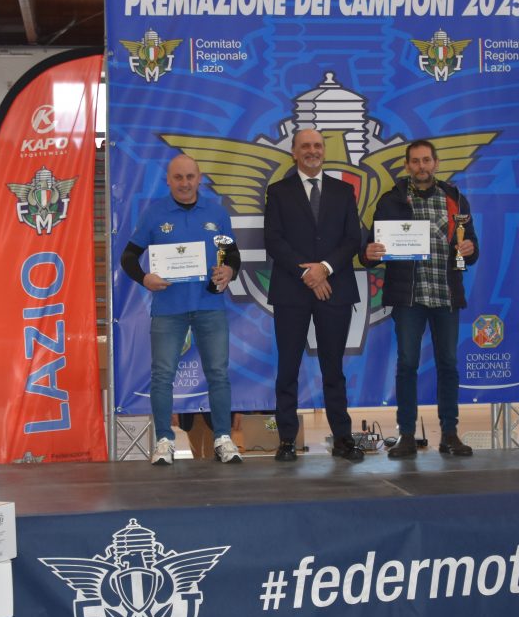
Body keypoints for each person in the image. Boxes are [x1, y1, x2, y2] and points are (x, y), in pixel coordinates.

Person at [121, 154, 243, 466]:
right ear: (168, 180)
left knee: (218, 374)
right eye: (178, 177)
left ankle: (223, 438)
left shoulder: (216, 213)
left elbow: (232, 254)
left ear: (199, 178)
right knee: (162, 376)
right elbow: (128, 257)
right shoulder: (154, 214)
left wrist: (229, 271)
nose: (185, 183)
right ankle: (164, 441)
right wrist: (144, 278)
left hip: (209, 306)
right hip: (168, 309)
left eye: (190, 177)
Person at [361, 139, 479, 458]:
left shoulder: (455, 199)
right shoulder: (391, 201)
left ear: (436, 163)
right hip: (408, 297)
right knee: (407, 364)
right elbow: (370, 249)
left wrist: (469, 250)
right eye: (415, 161)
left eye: (426, 160)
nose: (421, 166)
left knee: (448, 364)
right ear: (407, 165)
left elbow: (471, 248)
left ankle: (450, 433)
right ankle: (406, 435)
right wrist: (370, 252)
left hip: (445, 294)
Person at [264, 128, 364, 463]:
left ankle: (343, 438)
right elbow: (273, 240)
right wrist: (307, 273)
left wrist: (324, 268)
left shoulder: (343, 191)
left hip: (334, 289)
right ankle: (287, 440)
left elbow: (352, 239)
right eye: (305, 145)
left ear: (324, 150)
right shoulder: (278, 192)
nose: (312, 150)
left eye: (317, 145)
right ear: (293, 152)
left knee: (333, 369)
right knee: (288, 368)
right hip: (291, 291)